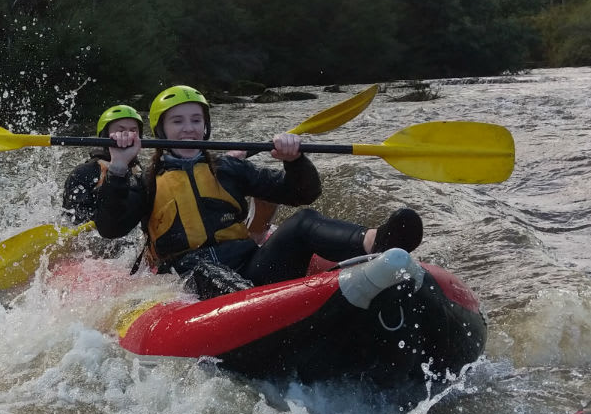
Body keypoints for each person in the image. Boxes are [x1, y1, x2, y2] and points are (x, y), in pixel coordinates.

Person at [91, 85, 423, 298]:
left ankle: (375, 242)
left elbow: (301, 193)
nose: (188, 128)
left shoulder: (229, 168)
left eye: (195, 120)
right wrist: (118, 166)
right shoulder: (145, 181)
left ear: (206, 127)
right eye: (177, 122)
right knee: (205, 270)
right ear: (161, 130)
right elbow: (110, 228)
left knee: (303, 221)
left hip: (249, 266)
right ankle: (256, 309)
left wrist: (294, 160)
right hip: (187, 279)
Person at [62, 104, 144, 225]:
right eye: (120, 131)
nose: (128, 135)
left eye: (133, 131)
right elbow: (74, 220)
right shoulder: (84, 173)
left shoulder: (141, 173)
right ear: (105, 135)